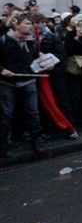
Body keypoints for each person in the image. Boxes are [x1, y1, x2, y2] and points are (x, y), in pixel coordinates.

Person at [0, 14, 47, 157]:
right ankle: (3, 147)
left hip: (28, 80)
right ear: (16, 25)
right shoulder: (4, 40)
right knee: (6, 115)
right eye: (26, 24)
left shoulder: (32, 41)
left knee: (33, 113)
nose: (30, 27)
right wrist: (2, 70)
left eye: (31, 24)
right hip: (7, 83)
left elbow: (34, 60)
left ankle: (36, 142)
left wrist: (44, 63)